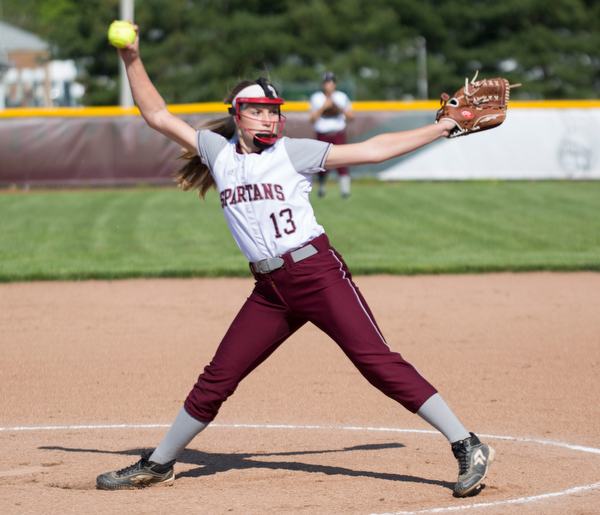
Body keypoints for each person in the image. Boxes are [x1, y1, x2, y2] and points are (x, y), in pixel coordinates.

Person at [96, 24, 495, 498]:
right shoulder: (217, 153)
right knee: (218, 377)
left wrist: (444, 125)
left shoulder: (292, 152)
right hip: (270, 291)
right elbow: (157, 113)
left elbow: (370, 150)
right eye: (259, 111)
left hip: (318, 274)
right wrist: (132, 56)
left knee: (376, 362)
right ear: (238, 116)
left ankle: (466, 443)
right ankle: (160, 463)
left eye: (273, 111)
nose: (268, 119)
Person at [310, 71, 354, 198]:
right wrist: (324, 107)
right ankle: (322, 187)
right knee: (322, 163)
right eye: (326, 82)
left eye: (331, 82)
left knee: (342, 161)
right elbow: (312, 118)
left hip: (337, 132)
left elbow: (351, 116)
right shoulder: (316, 97)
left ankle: (345, 191)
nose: (328, 85)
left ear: (335, 84)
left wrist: (339, 109)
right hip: (323, 133)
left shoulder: (341, 97)